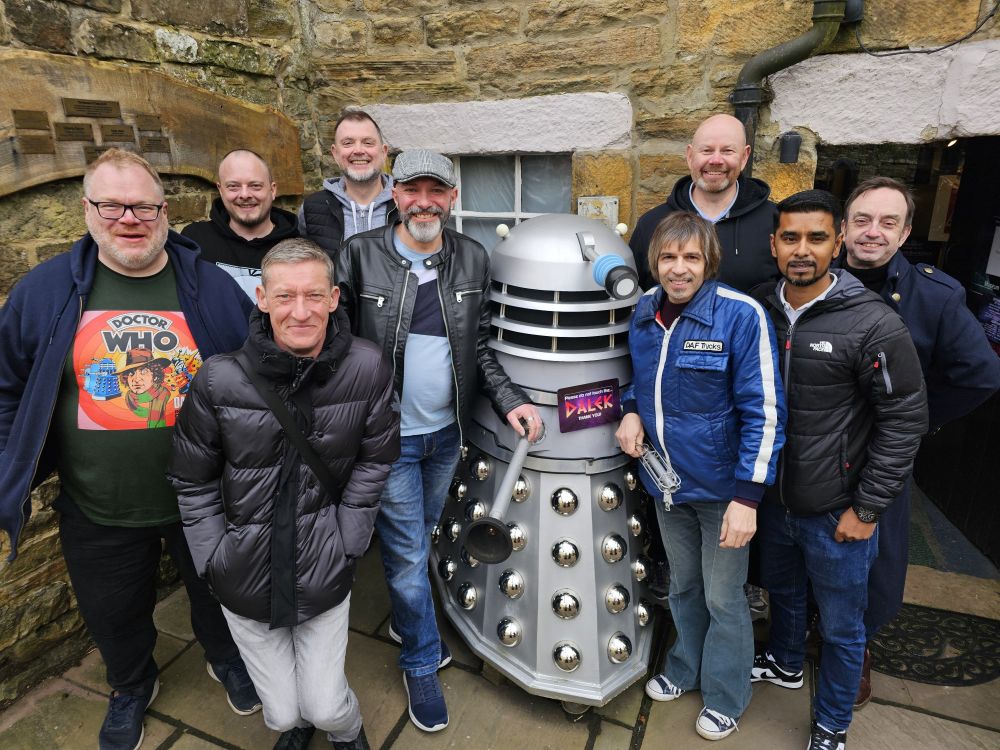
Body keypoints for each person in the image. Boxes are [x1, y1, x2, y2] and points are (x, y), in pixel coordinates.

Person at [0, 148, 259, 750]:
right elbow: (8, 387)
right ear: (88, 210)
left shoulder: (211, 287)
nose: (128, 218)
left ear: (164, 211)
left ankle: (230, 660)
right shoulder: (45, 292)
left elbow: (256, 373)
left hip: (205, 497)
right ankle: (130, 686)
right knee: (113, 613)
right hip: (98, 502)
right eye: (111, 205)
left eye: (142, 205)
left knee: (220, 596)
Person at [335, 149, 543, 733]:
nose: (423, 201)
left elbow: (479, 348)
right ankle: (421, 661)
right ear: (393, 195)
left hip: (446, 437)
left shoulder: (473, 258)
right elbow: (339, 345)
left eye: (436, 190)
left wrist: (512, 401)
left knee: (421, 540)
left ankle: (410, 619)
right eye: (411, 189)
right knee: (403, 556)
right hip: (388, 438)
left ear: (451, 199)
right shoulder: (357, 255)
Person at [168, 239, 399, 750]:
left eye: (314, 296)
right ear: (262, 298)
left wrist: (348, 538)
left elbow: (376, 457)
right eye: (286, 296)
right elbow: (192, 477)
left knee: (324, 704)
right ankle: (295, 727)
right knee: (280, 712)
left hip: (325, 559)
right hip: (242, 571)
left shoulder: (367, 367)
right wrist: (213, 556)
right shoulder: (219, 378)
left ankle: (347, 731)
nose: (301, 312)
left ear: (335, 298)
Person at [750, 190, 928, 750]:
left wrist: (868, 507)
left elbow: (904, 421)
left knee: (844, 627)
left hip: (838, 510)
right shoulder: (757, 307)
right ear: (774, 243)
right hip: (774, 499)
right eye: (791, 237)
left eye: (817, 237)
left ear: (839, 243)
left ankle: (831, 725)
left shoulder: (874, 322)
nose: (802, 250)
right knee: (783, 593)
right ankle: (782, 662)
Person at [615, 211, 785, 741]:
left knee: (723, 597)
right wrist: (629, 409)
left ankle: (727, 693)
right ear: (655, 262)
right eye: (668, 257)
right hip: (667, 484)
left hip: (723, 493)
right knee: (684, 586)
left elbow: (765, 410)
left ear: (708, 261)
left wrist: (748, 498)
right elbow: (638, 379)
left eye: (691, 257)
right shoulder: (644, 311)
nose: (679, 269)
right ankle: (685, 666)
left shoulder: (740, 315)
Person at [838, 176, 1000, 706]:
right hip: (812, 443)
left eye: (888, 222)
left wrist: (915, 423)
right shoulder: (814, 281)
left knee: (875, 556)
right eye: (862, 220)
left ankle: (855, 650)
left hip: (881, 453)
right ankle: (799, 634)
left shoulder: (933, 295)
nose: (872, 232)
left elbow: (979, 374)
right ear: (843, 228)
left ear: (906, 232)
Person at [629, 113, 778, 293]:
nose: (715, 160)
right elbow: (634, 296)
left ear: (745, 156)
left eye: (727, 151)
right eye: (706, 150)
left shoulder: (774, 223)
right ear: (690, 155)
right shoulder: (651, 225)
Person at [181, 149, 298, 299]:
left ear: (272, 190)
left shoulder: (299, 248)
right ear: (221, 190)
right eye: (233, 186)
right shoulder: (194, 241)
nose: (244, 195)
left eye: (255, 185)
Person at [298, 110, 397, 256]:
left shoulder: (406, 204)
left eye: (368, 142)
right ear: (335, 153)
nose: (358, 150)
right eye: (348, 143)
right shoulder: (311, 208)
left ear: (383, 152)